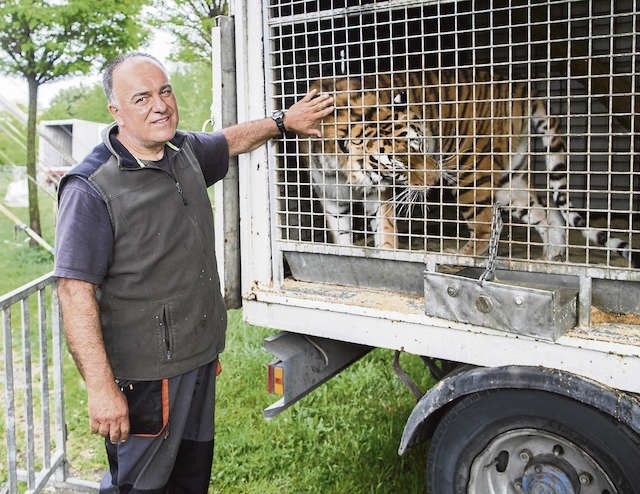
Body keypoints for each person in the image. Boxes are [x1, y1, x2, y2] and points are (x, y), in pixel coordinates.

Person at [54, 51, 334, 493]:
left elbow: (229, 140)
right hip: (147, 377)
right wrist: (101, 389)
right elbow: (73, 291)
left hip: (198, 360)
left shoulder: (182, 152)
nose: (159, 105)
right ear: (116, 111)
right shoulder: (92, 187)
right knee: (140, 483)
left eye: (165, 91)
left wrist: (283, 121)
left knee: (189, 476)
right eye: (142, 97)